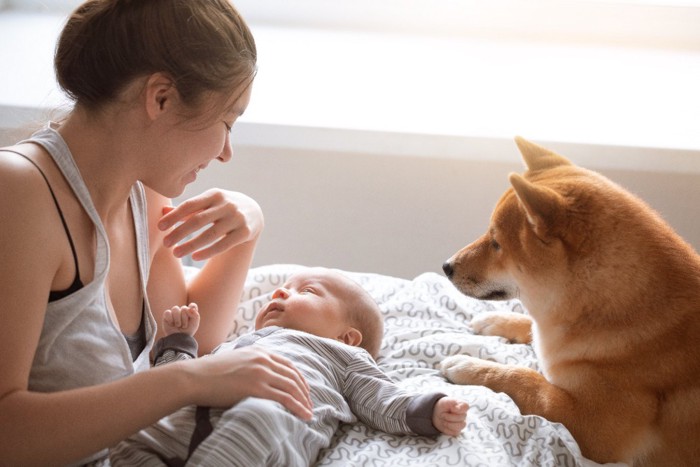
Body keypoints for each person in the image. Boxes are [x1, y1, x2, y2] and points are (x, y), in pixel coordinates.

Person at [0, 1, 314, 465]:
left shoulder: (141, 198)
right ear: (161, 97)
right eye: (228, 121)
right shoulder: (19, 192)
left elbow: (193, 337)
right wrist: (189, 382)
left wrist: (250, 226)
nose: (227, 152)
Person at [111, 267, 469, 466]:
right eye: (280, 289)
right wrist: (178, 344)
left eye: (308, 291)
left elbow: (381, 399)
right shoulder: (231, 346)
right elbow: (175, 381)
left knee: (260, 415)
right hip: (185, 428)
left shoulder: (340, 357)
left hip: (269, 433)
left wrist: (429, 410)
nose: (279, 293)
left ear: (347, 337)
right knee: (128, 435)